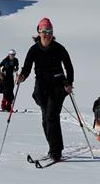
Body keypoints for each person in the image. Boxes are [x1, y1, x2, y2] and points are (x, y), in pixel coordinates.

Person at [16, 18, 74, 161]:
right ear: (39, 32)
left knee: (51, 117)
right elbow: (27, 67)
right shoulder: (34, 49)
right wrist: (22, 77)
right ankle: (53, 148)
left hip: (58, 86)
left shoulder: (59, 48)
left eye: (49, 31)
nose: (47, 34)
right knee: (45, 120)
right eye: (44, 31)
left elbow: (69, 67)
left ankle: (56, 151)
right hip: (41, 88)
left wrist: (69, 82)